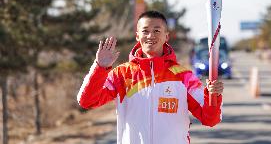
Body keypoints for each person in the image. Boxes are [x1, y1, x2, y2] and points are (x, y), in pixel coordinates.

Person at [77, 10, 224, 144]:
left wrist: (213, 95)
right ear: (137, 36)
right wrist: (99, 68)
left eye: (156, 31)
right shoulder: (122, 74)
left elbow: (210, 119)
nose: (150, 36)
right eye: (145, 31)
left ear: (166, 36)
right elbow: (87, 101)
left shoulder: (184, 77)